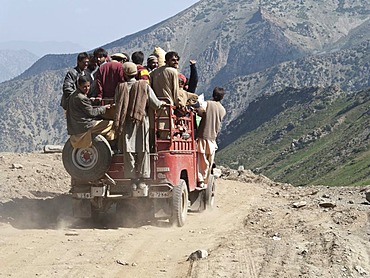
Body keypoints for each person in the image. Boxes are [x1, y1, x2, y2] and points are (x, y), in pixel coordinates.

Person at [114, 62, 164, 190]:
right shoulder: (144, 86)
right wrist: (162, 103)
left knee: (128, 149)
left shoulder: (120, 87)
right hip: (141, 121)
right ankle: (142, 179)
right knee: (143, 148)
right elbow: (155, 104)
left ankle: (132, 180)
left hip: (125, 123)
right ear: (136, 73)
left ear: (124, 74)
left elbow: (117, 103)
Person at [66, 75, 113, 149]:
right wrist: (104, 108)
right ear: (79, 86)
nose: (87, 89)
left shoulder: (74, 95)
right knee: (110, 124)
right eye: (84, 87)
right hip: (84, 125)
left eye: (88, 86)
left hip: (75, 125)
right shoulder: (82, 98)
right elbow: (92, 113)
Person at [196, 87, 226, 189]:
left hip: (203, 136)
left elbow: (200, 111)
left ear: (213, 95)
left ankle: (200, 180)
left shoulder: (207, 104)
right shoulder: (223, 110)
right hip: (213, 139)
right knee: (209, 161)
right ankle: (206, 181)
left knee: (201, 160)